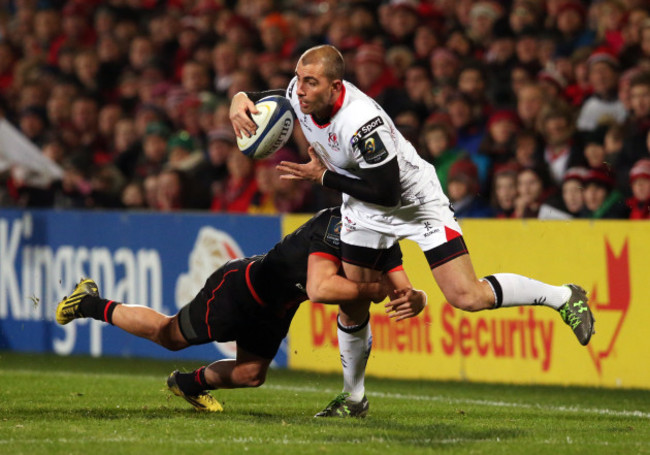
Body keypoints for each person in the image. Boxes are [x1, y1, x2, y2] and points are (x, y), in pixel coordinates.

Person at [229, 45, 595, 411]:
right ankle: (353, 398)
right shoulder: (298, 93)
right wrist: (240, 99)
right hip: (362, 207)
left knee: (467, 297)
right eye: (298, 78)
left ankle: (564, 297)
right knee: (352, 302)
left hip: (415, 202)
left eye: (311, 82)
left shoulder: (361, 122)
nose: (300, 89)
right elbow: (269, 99)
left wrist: (323, 176)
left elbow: (386, 193)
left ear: (335, 87)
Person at [55, 207, 426, 415]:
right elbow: (321, 288)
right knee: (169, 336)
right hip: (241, 290)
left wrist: (417, 298)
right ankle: (88, 302)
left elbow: (403, 286)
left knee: (250, 375)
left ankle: (186, 383)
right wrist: (378, 288)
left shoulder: (381, 238)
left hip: (276, 309)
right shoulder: (335, 223)